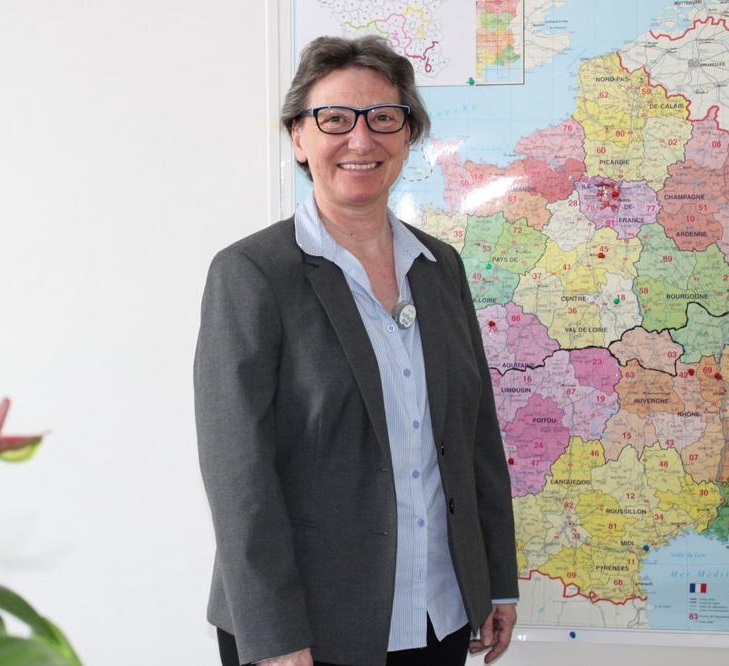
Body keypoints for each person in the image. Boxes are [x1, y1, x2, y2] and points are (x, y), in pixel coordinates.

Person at [195, 35, 518, 666]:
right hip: (310, 629)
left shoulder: (440, 266)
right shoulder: (252, 274)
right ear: (298, 137)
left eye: (384, 118)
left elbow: (476, 434)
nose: (361, 139)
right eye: (335, 119)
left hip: (441, 614)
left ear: (408, 135)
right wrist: (275, 637)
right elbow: (238, 475)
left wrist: (495, 579)